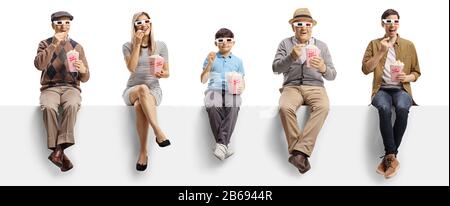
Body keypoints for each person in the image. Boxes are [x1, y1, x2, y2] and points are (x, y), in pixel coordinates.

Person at [272, 8, 336, 174]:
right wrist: (291, 57)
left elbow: (332, 74)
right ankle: (299, 154)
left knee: (323, 107)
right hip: (291, 86)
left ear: (312, 26)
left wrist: (322, 67)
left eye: (307, 24)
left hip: (315, 86)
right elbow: (275, 68)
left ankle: (299, 153)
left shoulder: (321, 46)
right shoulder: (285, 44)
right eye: (299, 24)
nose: (303, 28)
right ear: (293, 26)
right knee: (285, 108)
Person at [362, 9, 421, 179]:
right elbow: (366, 69)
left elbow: (417, 73)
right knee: (383, 107)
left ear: (399, 24)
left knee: (403, 107)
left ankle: (389, 156)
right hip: (381, 89)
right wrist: (381, 51)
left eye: (395, 21)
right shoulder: (374, 44)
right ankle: (392, 156)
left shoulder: (409, 45)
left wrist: (406, 76)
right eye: (388, 21)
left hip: (402, 89)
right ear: (382, 24)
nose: (392, 25)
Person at [34, 11, 90, 172]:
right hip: (50, 87)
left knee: (72, 105)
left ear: (70, 26)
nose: (63, 26)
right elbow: (39, 65)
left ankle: (57, 151)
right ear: (53, 25)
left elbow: (85, 78)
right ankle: (60, 153)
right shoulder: (44, 44)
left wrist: (84, 70)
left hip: (71, 87)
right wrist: (54, 45)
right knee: (48, 107)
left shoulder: (77, 46)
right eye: (59, 23)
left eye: (66, 23)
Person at [122, 12, 171, 171]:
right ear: (134, 26)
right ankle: (158, 131)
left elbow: (167, 72)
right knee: (142, 88)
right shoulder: (127, 46)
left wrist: (162, 74)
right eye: (139, 22)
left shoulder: (161, 46)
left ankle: (143, 152)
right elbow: (132, 68)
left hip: (154, 90)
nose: (143, 24)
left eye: (146, 21)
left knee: (138, 107)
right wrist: (137, 44)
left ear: (151, 23)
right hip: (133, 89)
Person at [200, 28, 245, 161]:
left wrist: (241, 88)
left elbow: (243, 82)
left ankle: (221, 144)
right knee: (212, 106)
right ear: (216, 43)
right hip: (214, 89)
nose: (225, 43)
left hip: (232, 90)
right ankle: (226, 144)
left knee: (234, 105)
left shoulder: (238, 61)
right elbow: (203, 80)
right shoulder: (210, 58)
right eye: (221, 41)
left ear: (233, 43)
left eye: (228, 40)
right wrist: (209, 63)